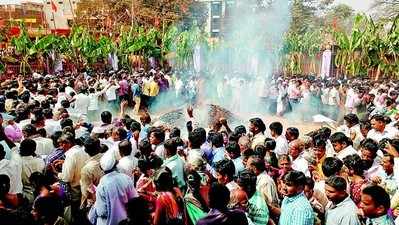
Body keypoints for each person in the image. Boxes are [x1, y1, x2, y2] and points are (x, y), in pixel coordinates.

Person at [88, 152, 138, 225]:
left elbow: (101, 211)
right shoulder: (126, 179)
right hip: (125, 221)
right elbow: (134, 200)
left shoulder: (102, 184)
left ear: (102, 169)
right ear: (116, 165)